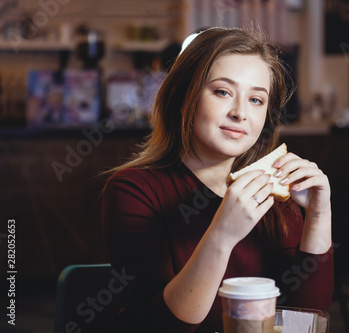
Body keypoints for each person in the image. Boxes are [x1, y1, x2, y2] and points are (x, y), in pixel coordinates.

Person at [101, 27, 334, 333]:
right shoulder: (133, 190)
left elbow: (305, 319)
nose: (240, 113)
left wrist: (319, 214)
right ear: (185, 97)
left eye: (256, 100)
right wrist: (222, 235)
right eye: (223, 92)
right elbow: (161, 325)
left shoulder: (271, 191)